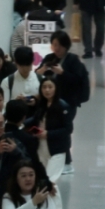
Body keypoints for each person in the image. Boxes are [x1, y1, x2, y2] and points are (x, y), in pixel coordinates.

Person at [39, 30, 90, 173]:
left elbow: (77, 81)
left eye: (60, 45)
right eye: (54, 44)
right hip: (50, 102)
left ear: (66, 46)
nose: (57, 48)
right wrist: (42, 70)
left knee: (63, 130)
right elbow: (37, 75)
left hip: (68, 102)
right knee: (54, 129)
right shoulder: (49, 58)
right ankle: (58, 159)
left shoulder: (73, 60)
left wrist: (62, 73)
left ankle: (67, 162)